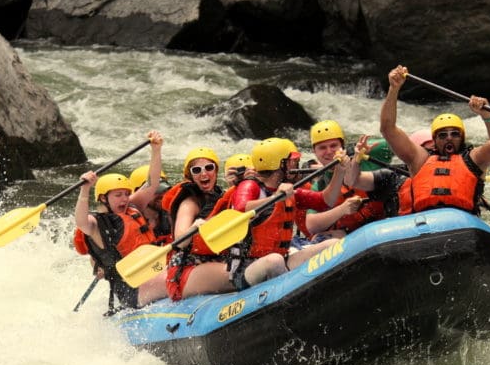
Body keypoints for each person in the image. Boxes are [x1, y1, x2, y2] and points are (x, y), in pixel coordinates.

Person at [380, 65, 490, 215]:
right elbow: (387, 129)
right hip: (425, 220)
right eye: (442, 135)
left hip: (463, 221)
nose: (449, 138)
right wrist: (393, 89)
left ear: (462, 137)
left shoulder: (474, 159)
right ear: (434, 140)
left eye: (455, 134)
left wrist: (486, 115)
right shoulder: (419, 159)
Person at [227, 137, 346, 289]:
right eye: (291, 162)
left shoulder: (287, 189)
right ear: (279, 164)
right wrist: (275, 197)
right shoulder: (249, 185)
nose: (295, 165)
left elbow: (325, 200)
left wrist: (339, 172)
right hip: (248, 269)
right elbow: (240, 209)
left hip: (283, 258)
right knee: (274, 261)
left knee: (332, 245)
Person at [74, 131, 168, 311]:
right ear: (103, 198)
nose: (124, 199)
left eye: (126, 194)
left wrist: (156, 151)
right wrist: (85, 190)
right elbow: (81, 221)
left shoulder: (132, 207)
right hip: (130, 289)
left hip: (153, 272)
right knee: (175, 278)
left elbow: (152, 184)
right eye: (118, 195)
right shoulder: (96, 224)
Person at [161, 147, 233, 301]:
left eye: (209, 168)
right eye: (196, 170)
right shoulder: (189, 203)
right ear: (190, 176)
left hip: (217, 260)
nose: (204, 173)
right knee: (242, 273)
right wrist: (194, 227)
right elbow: (180, 240)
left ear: (216, 171)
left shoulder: (223, 196)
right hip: (188, 269)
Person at [302, 120, 386, 239]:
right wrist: (342, 209)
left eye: (333, 146)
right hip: (352, 236)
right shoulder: (320, 184)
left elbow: (398, 141)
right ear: (314, 152)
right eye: (322, 148)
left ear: (342, 146)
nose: (329, 152)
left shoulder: (364, 153)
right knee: (319, 237)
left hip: (384, 226)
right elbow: (311, 225)